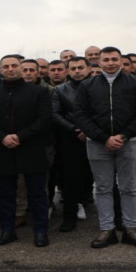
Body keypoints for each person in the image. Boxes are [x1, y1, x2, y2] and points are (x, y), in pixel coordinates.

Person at [73, 47, 136, 249]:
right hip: (98, 144)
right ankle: (106, 229)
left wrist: (123, 135)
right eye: (106, 59)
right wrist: (103, 138)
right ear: (98, 62)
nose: (110, 63)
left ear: (121, 60)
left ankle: (130, 229)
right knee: (103, 188)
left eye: (114, 59)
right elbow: (81, 115)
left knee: (129, 188)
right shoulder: (87, 85)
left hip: (129, 143)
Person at [0, 55, 53, 247]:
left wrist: (20, 136)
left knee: (37, 194)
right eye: (6, 66)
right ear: (0, 70)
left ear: (21, 68)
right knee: (6, 194)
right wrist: (2, 137)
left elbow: (44, 119)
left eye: (14, 65)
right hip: (2, 149)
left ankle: (40, 231)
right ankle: (7, 230)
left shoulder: (39, 92)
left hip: (31, 149)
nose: (11, 69)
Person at [51, 56, 93, 232]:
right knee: (70, 180)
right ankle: (70, 216)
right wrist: (75, 130)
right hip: (70, 140)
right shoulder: (60, 90)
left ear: (89, 68)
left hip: (97, 138)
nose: (77, 71)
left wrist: (90, 131)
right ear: (68, 71)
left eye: (81, 68)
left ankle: (114, 218)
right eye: (73, 68)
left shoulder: (100, 88)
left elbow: (104, 111)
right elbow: (55, 114)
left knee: (101, 179)